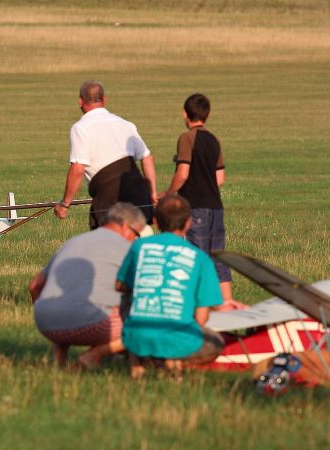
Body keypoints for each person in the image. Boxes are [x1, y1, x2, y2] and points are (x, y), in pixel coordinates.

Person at [116, 195, 225, 378]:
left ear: (156, 222)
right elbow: (201, 317)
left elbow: (119, 285)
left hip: (135, 335)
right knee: (215, 343)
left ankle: (140, 361)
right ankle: (172, 361)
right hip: (178, 339)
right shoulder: (200, 258)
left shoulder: (138, 247)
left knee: (129, 293)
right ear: (188, 223)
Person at [29, 203, 146, 367]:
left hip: (46, 323)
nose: (135, 239)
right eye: (136, 234)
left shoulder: (71, 242)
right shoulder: (128, 249)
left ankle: (59, 359)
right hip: (92, 324)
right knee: (146, 329)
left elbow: (34, 286)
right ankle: (93, 355)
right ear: (126, 226)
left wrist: (49, 312)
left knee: (68, 305)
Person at [160, 93, 246, 311]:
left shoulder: (186, 138)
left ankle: (198, 308)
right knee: (218, 256)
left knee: (195, 257)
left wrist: (169, 194)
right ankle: (227, 305)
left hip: (195, 207)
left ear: (184, 114)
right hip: (216, 206)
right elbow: (220, 178)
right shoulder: (214, 139)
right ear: (207, 115)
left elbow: (183, 172)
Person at [54, 80, 157, 229]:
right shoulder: (125, 124)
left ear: (80, 102)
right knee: (137, 245)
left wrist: (65, 204)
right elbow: (147, 158)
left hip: (109, 197)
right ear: (104, 100)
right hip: (137, 192)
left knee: (108, 247)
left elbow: (78, 168)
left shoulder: (81, 128)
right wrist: (152, 194)